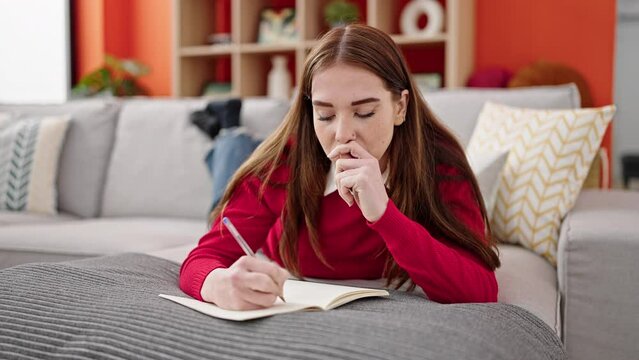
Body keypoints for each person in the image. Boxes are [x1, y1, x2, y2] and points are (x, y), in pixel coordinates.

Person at [179, 24, 500, 310]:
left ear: (400, 107)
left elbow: (481, 289)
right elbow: (202, 260)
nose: (343, 134)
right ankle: (228, 134)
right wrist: (219, 284)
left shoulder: (440, 164)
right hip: (268, 215)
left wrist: (385, 215)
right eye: (326, 116)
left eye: (364, 113)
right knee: (229, 173)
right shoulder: (280, 165)